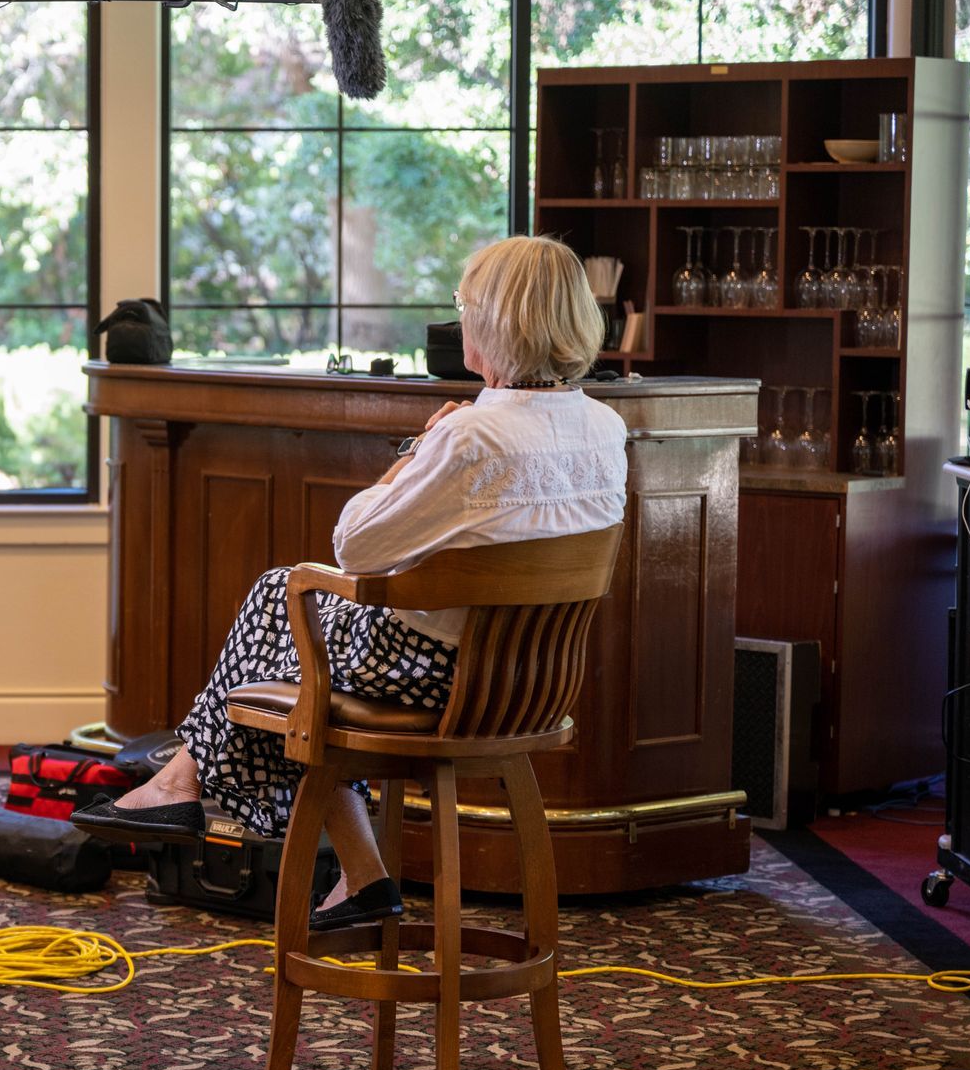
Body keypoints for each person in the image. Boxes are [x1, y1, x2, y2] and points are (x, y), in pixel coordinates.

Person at [72, 235, 628, 929]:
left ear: (493, 319)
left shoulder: (472, 437)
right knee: (297, 647)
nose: (460, 322)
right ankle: (352, 874)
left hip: (433, 679)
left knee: (285, 600)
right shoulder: (606, 428)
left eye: (464, 305)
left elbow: (356, 546)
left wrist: (413, 455)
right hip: (529, 683)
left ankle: (188, 780)